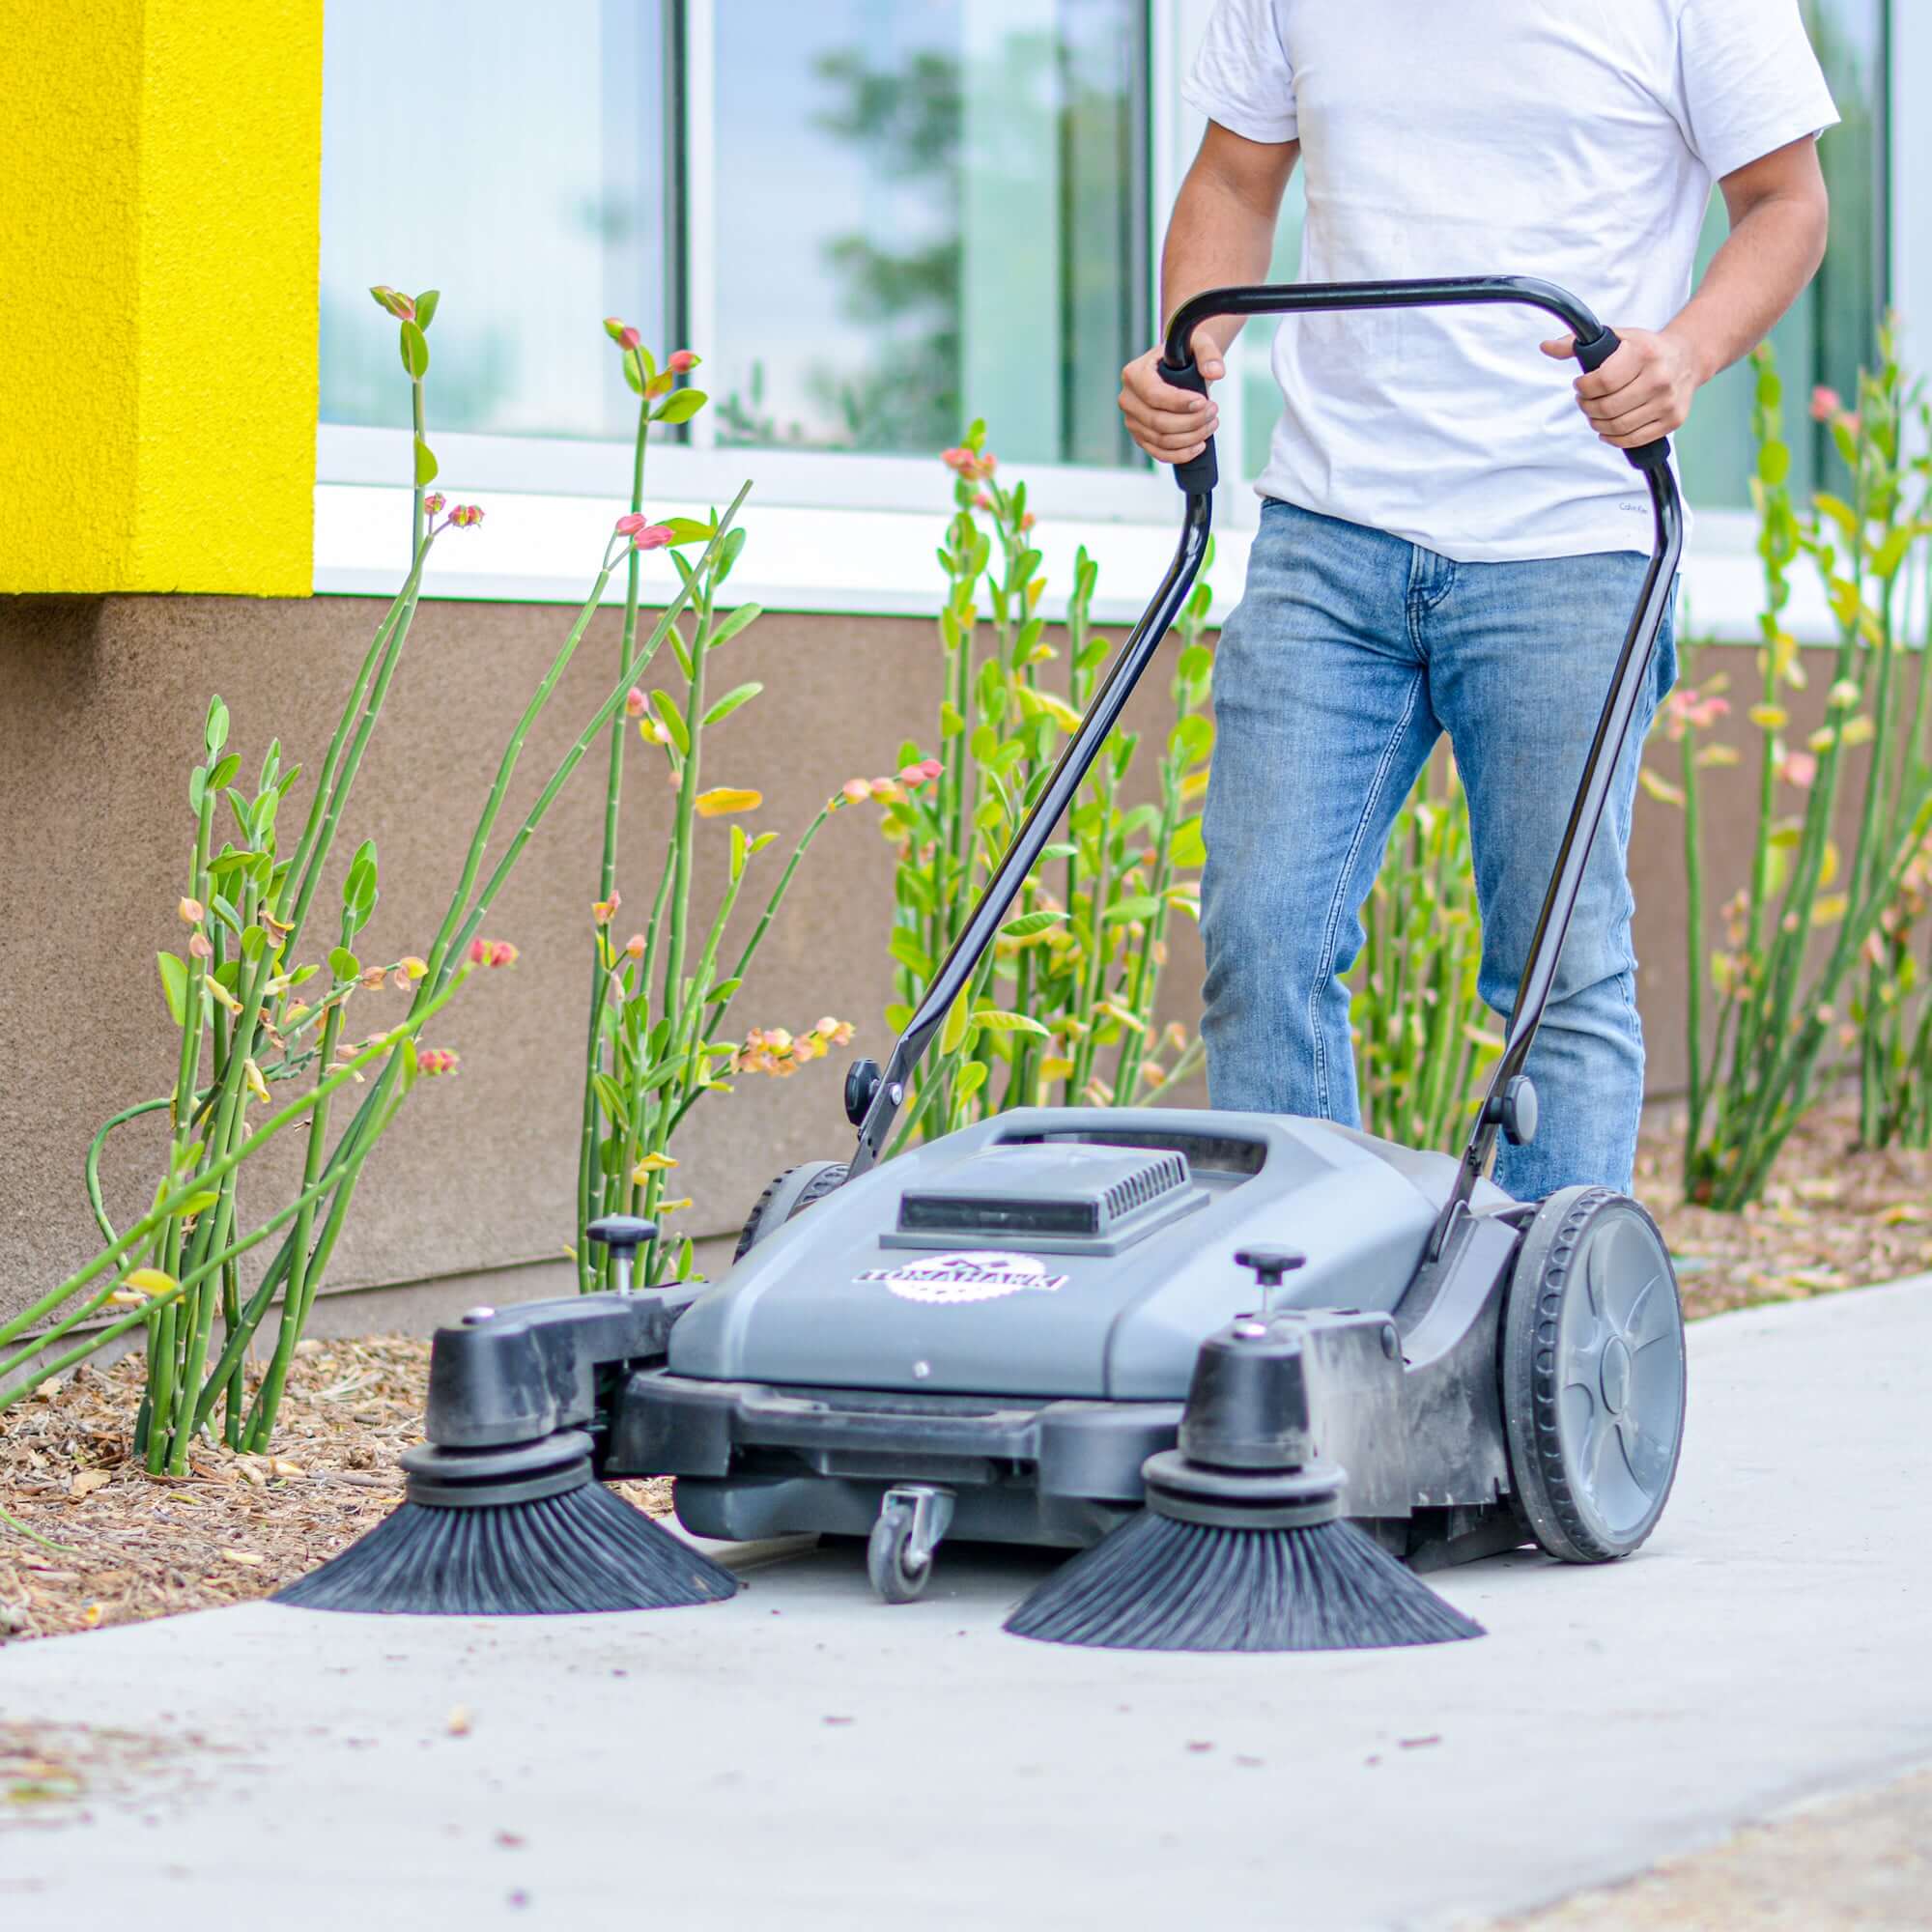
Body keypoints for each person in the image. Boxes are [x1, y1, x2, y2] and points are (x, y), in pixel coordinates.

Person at [1120, 0, 1836, 1198]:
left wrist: (1685, 351)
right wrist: (1188, 350)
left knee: (1557, 976)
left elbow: (1785, 201)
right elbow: (1235, 180)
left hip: (1567, 545)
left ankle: (1541, 1348)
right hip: (1326, 531)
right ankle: (1307, 1309)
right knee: (1263, 941)